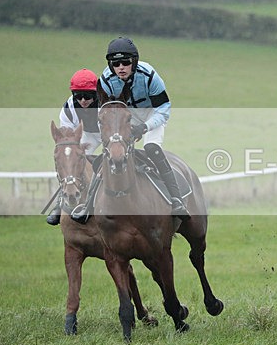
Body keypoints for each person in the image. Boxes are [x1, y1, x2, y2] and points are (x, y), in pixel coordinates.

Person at [71, 36, 189, 223]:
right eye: (116, 63)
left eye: (125, 62)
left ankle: (177, 199)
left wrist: (145, 127)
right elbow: (107, 112)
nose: (121, 67)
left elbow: (164, 109)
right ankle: (87, 207)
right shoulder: (106, 80)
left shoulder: (149, 75)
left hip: (152, 117)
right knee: (110, 152)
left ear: (134, 62)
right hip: (126, 119)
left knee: (152, 149)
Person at [45, 68, 101, 226]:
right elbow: (69, 140)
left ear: (96, 93)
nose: (83, 100)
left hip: (108, 132)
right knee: (71, 162)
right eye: (78, 96)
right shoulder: (68, 109)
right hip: (87, 134)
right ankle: (60, 202)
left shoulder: (105, 103)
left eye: (88, 96)